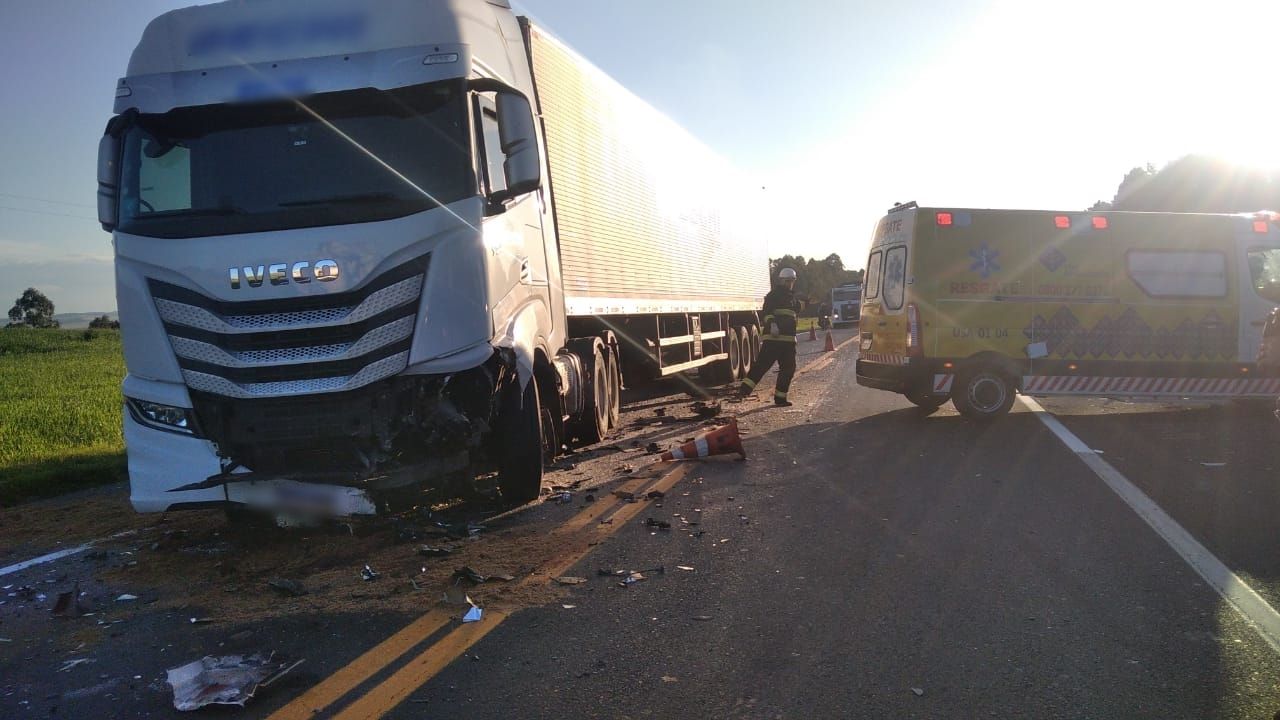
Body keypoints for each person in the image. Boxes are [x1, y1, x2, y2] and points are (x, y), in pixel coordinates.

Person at [739, 267, 800, 406]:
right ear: (781, 280)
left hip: (788, 341)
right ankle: (743, 391)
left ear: (794, 281)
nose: (789, 283)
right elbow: (766, 312)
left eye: (791, 281)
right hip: (773, 338)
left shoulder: (793, 299)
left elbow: (796, 313)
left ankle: (780, 398)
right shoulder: (773, 295)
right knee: (761, 366)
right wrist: (772, 324)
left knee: (788, 369)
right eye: (786, 281)